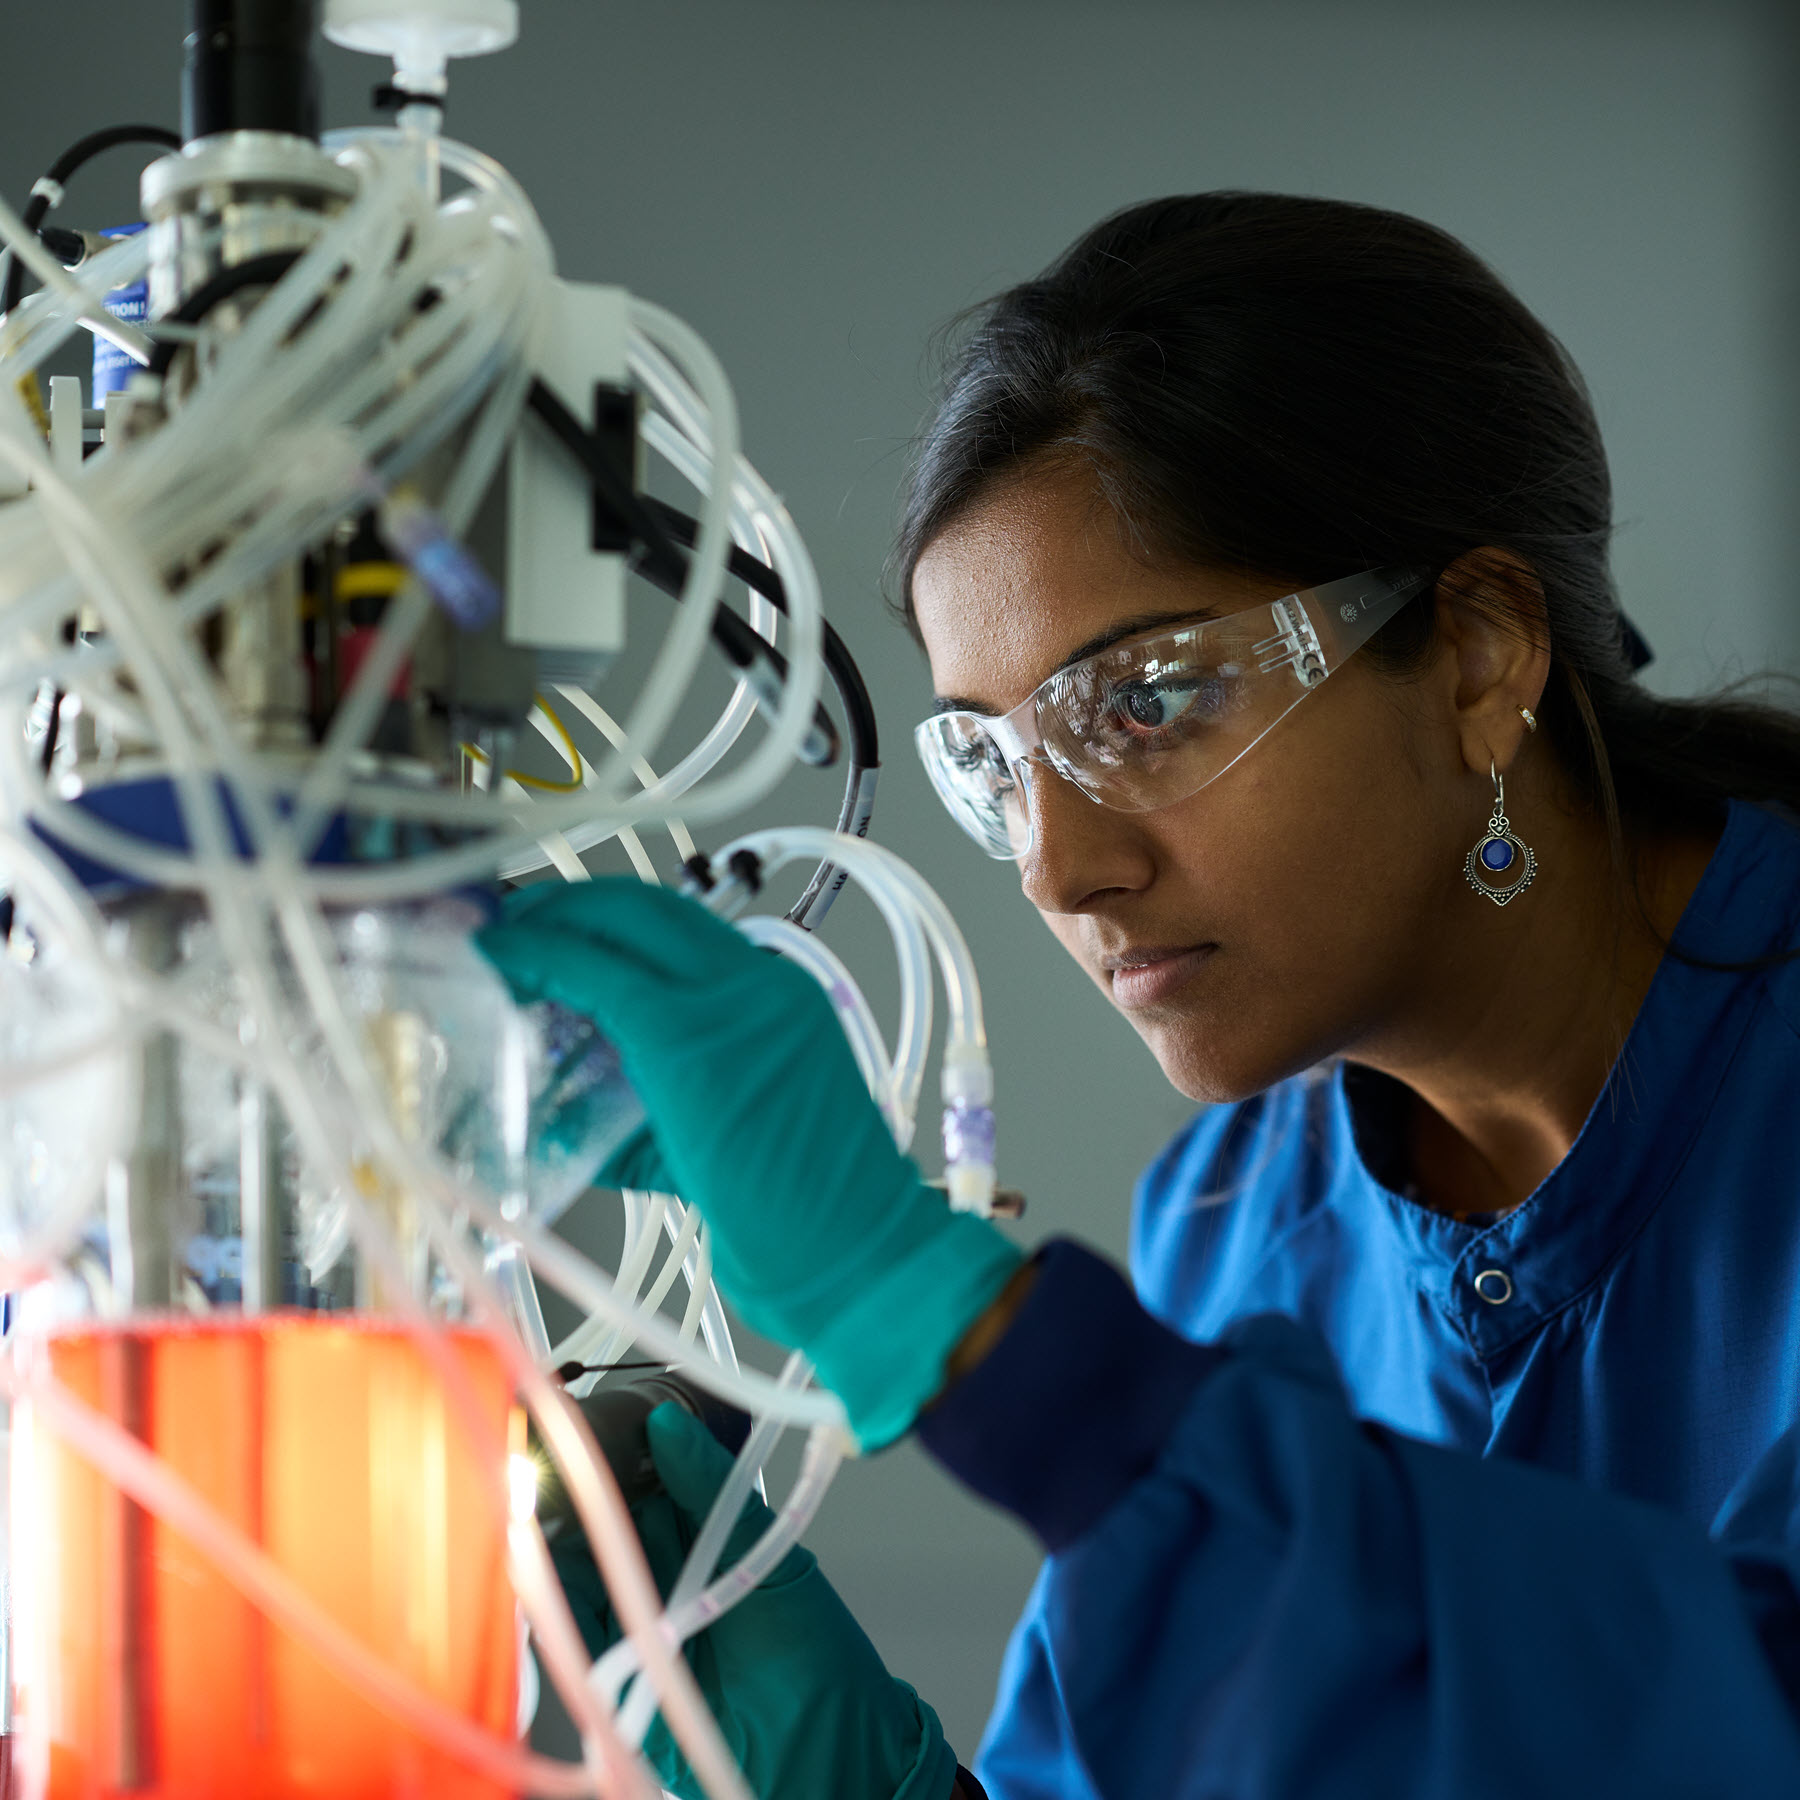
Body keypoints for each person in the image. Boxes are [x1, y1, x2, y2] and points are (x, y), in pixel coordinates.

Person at [478, 192, 1800, 1798]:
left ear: (1476, 651)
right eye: (994, 763)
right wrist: (828, 1768)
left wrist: (945, 1317)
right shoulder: (1243, 1219)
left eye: (1149, 702)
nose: (1057, 867)